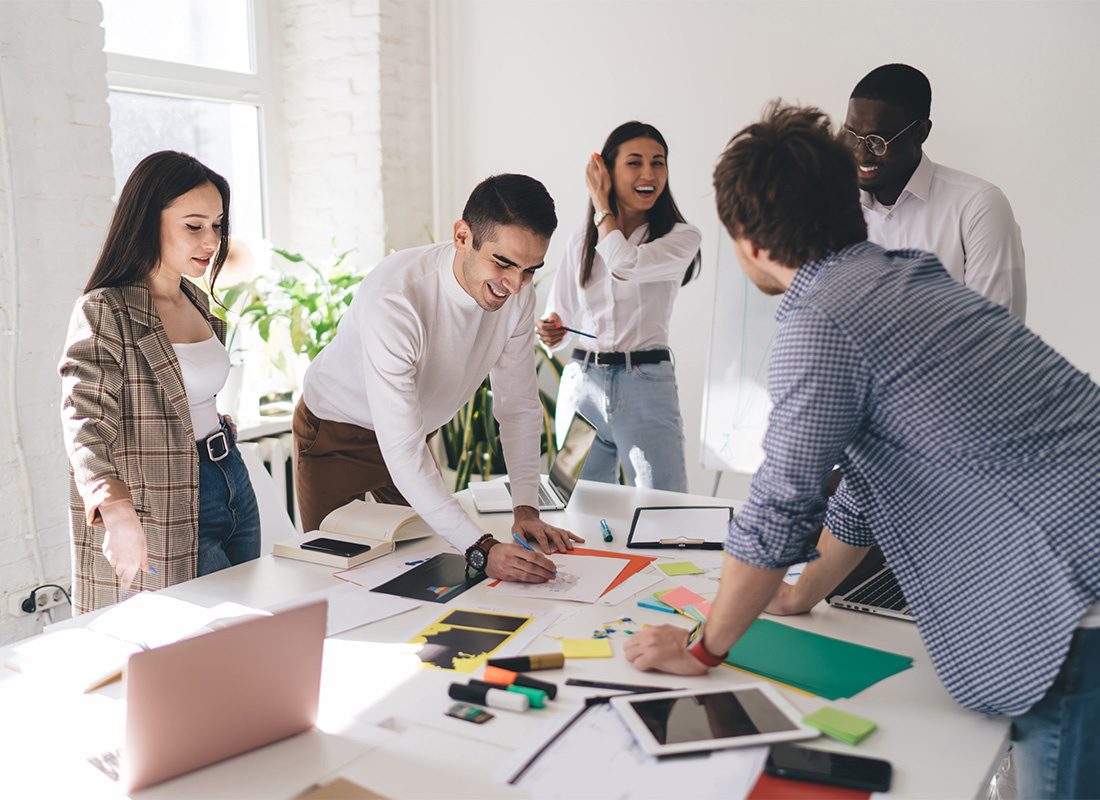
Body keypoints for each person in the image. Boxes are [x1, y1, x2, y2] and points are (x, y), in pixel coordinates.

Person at [624, 103, 1099, 797]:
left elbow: (780, 503)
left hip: (1067, 603)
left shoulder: (820, 318)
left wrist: (703, 647)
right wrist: (804, 591)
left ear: (751, 242)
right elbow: (871, 475)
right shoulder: (905, 275)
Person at [294, 174, 581, 584]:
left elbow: (517, 406)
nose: (515, 285)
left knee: (432, 567)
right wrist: (483, 549)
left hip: (414, 435)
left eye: (530, 269)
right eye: (502, 263)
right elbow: (402, 449)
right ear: (463, 236)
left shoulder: (516, 293)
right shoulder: (396, 298)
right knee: (337, 579)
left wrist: (526, 509)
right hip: (337, 436)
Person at [60, 151, 260, 614]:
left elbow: (184, 392)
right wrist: (113, 505)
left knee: (245, 618)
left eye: (217, 224)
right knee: (192, 635)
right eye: (194, 225)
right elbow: (83, 416)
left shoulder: (194, 297)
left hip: (228, 475)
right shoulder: (106, 308)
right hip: (161, 492)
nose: (211, 239)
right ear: (148, 221)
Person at [537, 121, 700, 492]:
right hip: (582, 387)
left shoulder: (681, 237)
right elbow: (557, 321)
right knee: (576, 505)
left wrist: (600, 204)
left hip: (645, 386)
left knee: (665, 508)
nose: (649, 174)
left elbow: (624, 264)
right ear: (607, 170)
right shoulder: (581, 238)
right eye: (635, 163)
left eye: (658, 163)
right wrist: (551, 330)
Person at [844, 63, 1026, 318]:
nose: (861, 153)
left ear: (921, 132)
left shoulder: (978, 207)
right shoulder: (836, 208)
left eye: (878, 142)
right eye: (851, 136)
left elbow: (998, 340)